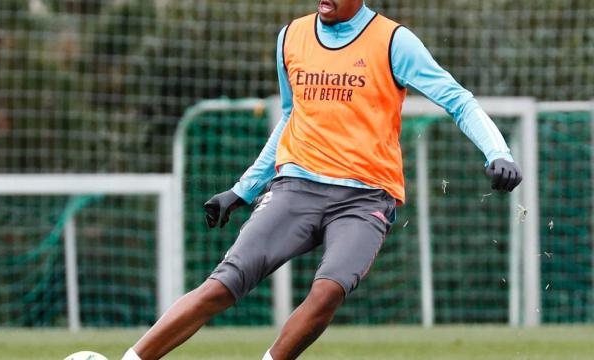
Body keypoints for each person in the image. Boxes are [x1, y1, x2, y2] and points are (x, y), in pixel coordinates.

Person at [123, 0, 522, 359]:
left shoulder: (393, 41)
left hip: (365, 200)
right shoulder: (291, 37)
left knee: (327, 290)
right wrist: (242, 189)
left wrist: (498, 152)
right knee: (223, 285)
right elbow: (290, 117)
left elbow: (458, 100)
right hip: (295, 189)